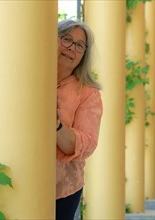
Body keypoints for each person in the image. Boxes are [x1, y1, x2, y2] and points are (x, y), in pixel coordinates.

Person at [55, 19, 103, 220]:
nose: (72, 48)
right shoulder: (27, 77)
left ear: (84, 55)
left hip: (62, 191)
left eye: (79, 45)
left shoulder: (88, 93)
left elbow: (87, 143)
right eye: (66, 39)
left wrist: (56, 125)